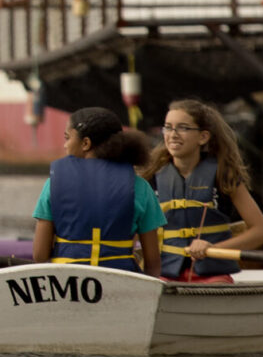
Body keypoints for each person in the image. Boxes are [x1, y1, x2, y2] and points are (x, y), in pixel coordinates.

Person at [145, 99, 263, 282]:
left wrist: (214, 248)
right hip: (166, 273)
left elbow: (262, 231)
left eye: (183, 128)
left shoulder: (224, 175)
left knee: (218, 287)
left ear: (203, 137)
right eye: (168, 127)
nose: (173, 134)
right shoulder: (151, 178)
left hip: (212, 275)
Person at [31, 107, 164, 273]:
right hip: (120, 279)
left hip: (68, 282)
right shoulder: (141, 187)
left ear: (85, 143)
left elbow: (40, 255)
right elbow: (152, 261)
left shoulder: (53, 184)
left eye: (67, 138)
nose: (65, 145)